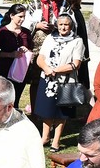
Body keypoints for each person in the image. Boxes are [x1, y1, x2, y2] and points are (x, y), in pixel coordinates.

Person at [32, 13, 86, 150]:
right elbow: (40, 58)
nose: (63, 27)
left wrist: (56, 70)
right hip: (48, 80)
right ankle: (45, 137)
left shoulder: (77, 41)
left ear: (71, 26)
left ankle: (56, 140)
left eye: (66, 24)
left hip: (66, 81)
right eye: (60, 24)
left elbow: (76, 64)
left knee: (62, 112)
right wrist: (46, 68)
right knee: (47, 110)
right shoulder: (50, 38)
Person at [0, 3, 32, 106]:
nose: (22, 19)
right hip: (5, 70)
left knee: (15, 100)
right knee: (2, 99)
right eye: (20, 16)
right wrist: (11, 54)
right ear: (11, 16)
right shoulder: (3, 31)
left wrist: (26, 50)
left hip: (20, 71)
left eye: (24, 17)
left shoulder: (26, 32)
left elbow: (32, 48)